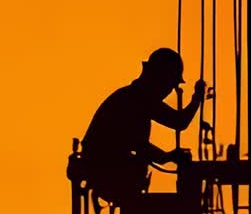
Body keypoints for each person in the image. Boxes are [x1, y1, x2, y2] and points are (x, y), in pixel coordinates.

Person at [80, 48, 205, 204]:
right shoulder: (139, 99)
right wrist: (197, 98)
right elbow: (178, 122)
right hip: (106, 169)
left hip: (102, 168)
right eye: (170, 85)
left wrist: (167, 157)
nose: (169, 91)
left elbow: (138, 144)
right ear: (160, 78)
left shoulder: (131, 96)